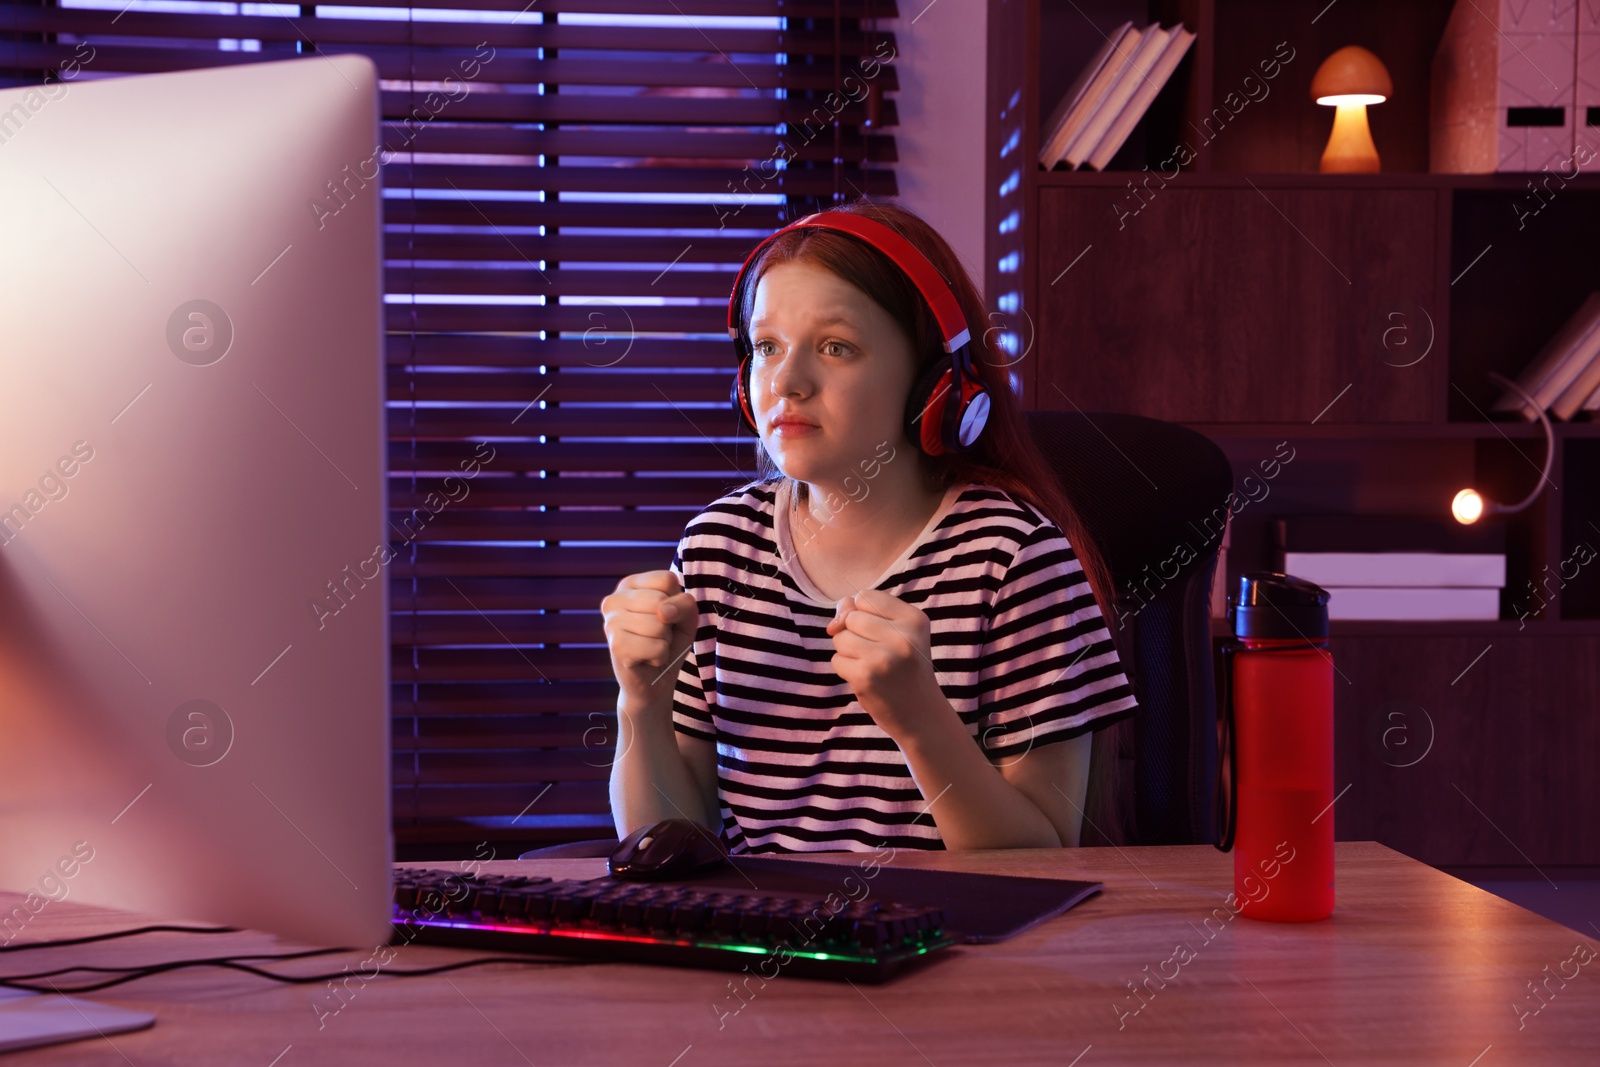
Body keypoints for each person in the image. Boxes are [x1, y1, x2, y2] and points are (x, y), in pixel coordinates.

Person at [601, 199, 1138, 854]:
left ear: (934, 382)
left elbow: (1042, 855)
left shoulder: (1014, 558)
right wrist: (642, 703)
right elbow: (669, 840)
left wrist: (920, 721)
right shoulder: (718, 546)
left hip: (954, 947)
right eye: (767, 346)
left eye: (836, 347)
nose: (787, 381)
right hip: (763, 945)